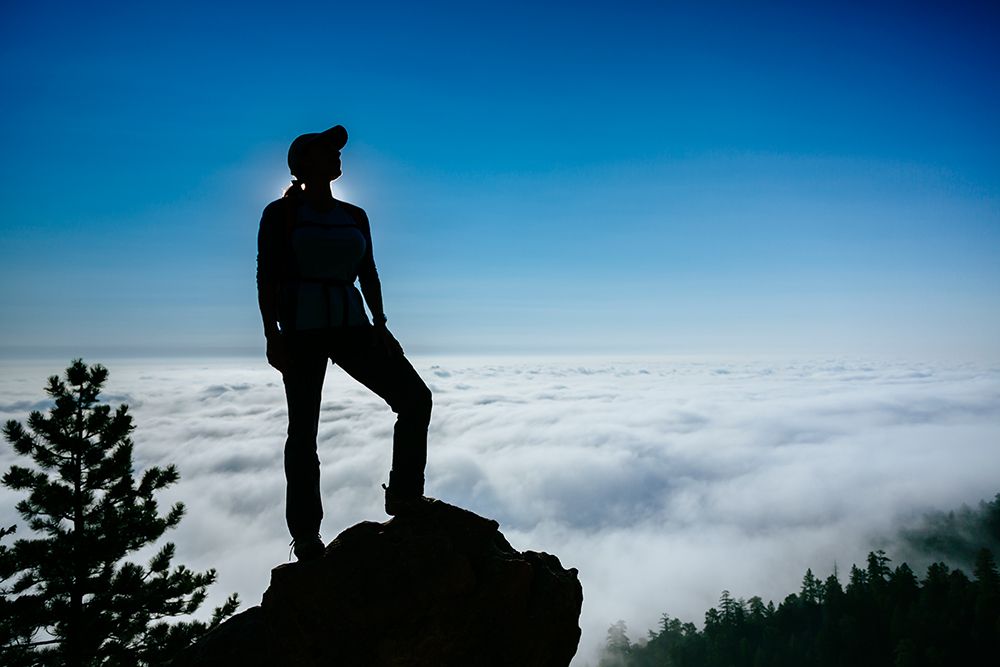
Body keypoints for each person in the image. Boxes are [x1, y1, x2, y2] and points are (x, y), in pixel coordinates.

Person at [256, 125, 432, 561]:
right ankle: (307, 536)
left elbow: (368, 272)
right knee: (303, 433)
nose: (338, 157)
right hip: (300, 328)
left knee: (415, 399)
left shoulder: (356, 215)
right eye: (327, 151)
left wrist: (382, 324)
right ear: (304, 163)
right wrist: (270, 334)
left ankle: (405, 495)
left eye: (337, 151)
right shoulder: (279, 214)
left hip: (353, 324)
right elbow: (267, 275)